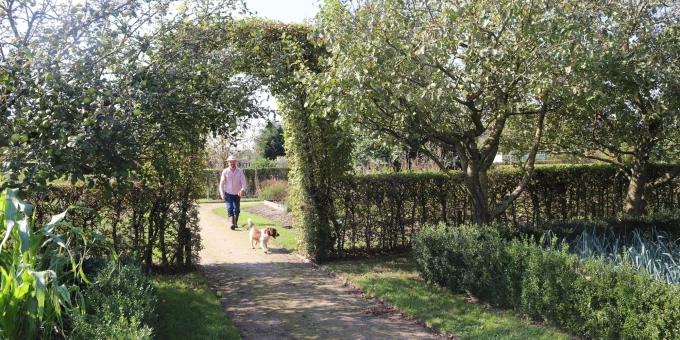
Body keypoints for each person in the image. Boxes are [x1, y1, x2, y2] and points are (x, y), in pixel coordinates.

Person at [219, 155, 247, 230]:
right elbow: (221, 183)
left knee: (237, 209)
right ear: (228, 163)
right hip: (228, 193)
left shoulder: (240, 171)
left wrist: (242, 190)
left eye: (233, 162)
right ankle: (232, 223)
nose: (232, 163)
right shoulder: (225, 171)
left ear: (236, 162)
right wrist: (222, 193)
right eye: (230, 162)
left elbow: (244, 182)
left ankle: (235, 223)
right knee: (230, 207)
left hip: (237, 193)